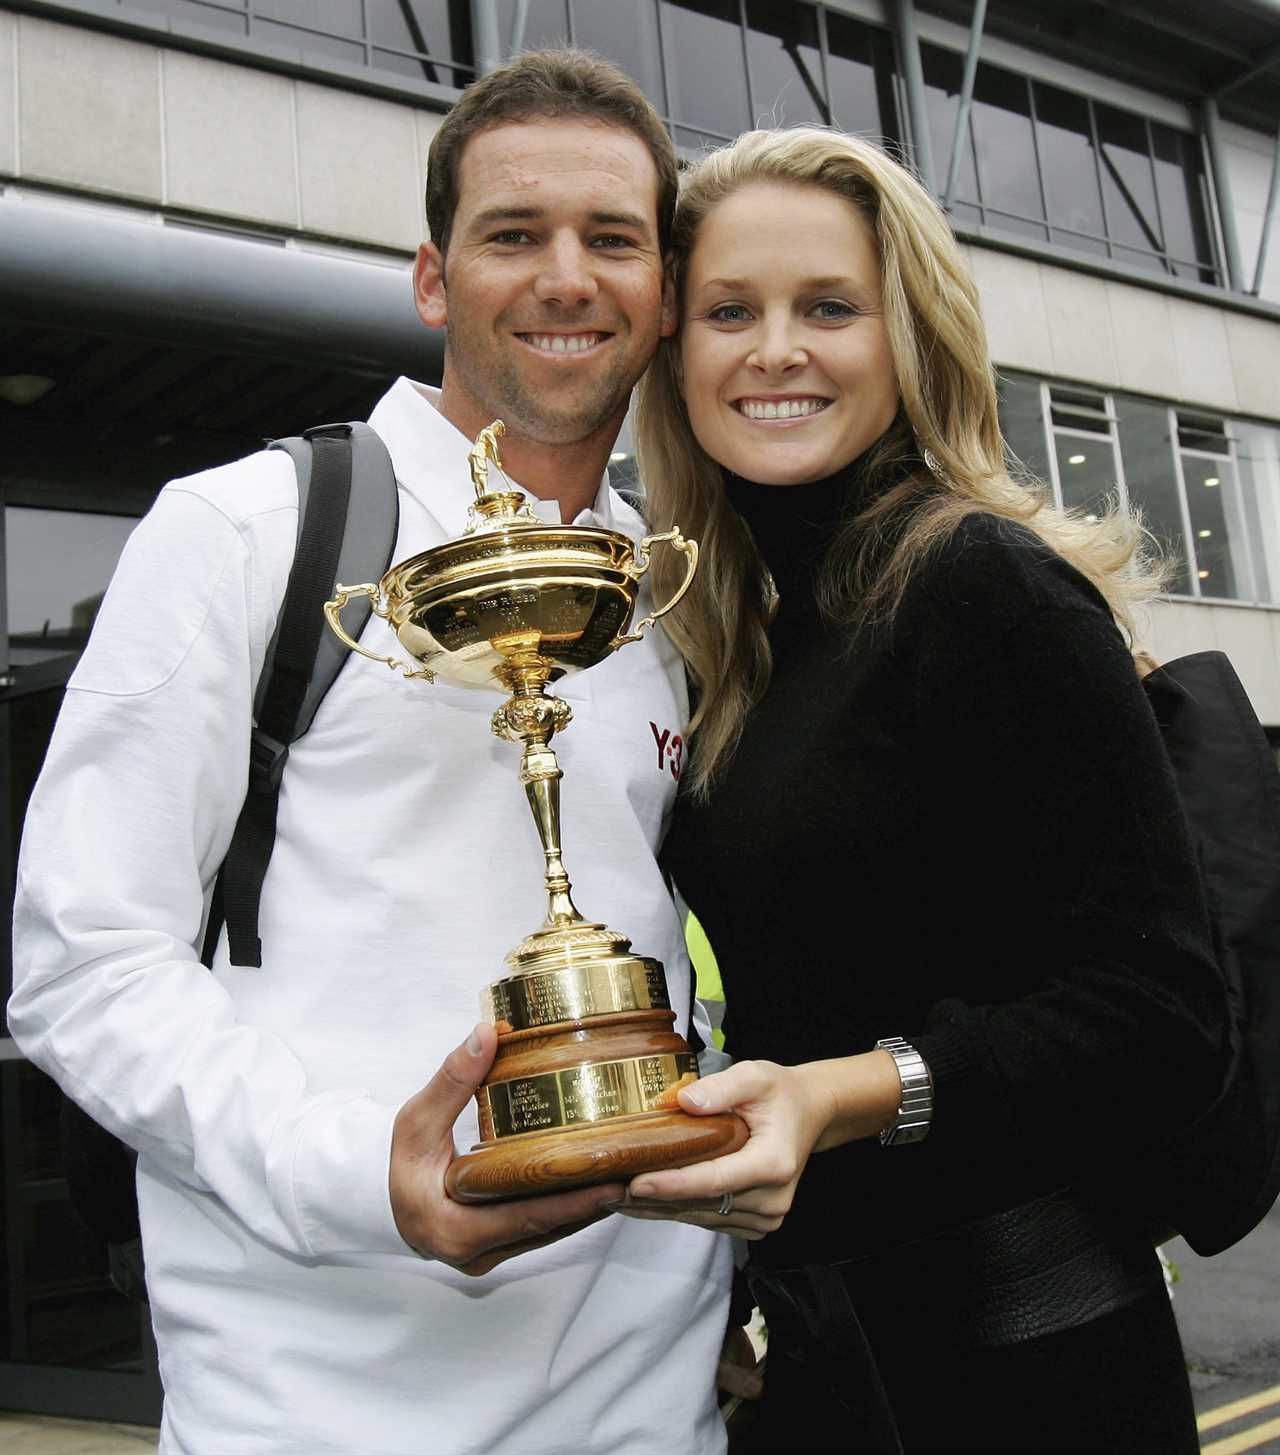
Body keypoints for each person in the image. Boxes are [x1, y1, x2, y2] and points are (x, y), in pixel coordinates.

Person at [8, 51, 733, 1455]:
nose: (567, 278)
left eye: (614, 240)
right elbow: (82, 962)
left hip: (651, 1401)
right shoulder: (248, 530)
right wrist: (366, 1177)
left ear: (661, 295)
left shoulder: (669, 591)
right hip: (316, 1407)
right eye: (513, 235)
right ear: (430, 277)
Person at [620, 126, 1229, 1452]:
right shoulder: (743, 635)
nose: (774, 350)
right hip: (828, 1368)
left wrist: (842, 1096)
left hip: (1030, 1379)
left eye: (828, 307)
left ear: (909, 336)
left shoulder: (985, 589)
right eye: (729, 310)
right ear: (676, 355)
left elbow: (1165, 1013)